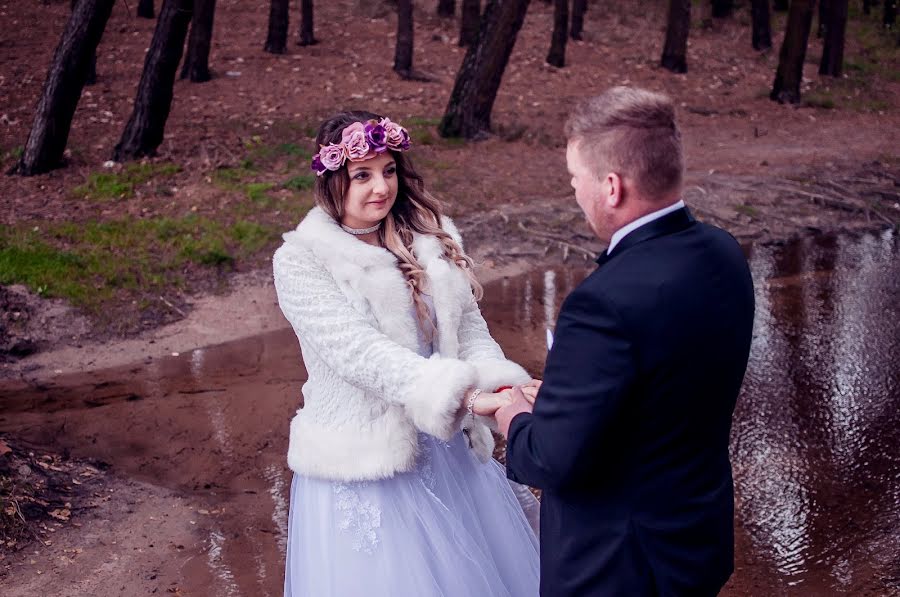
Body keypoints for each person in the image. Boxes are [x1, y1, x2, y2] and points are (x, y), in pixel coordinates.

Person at [496, 87, 756, 596]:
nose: (575, 193)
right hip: (694, 539)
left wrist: (513, 417)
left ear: (611, 187)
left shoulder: (604, 301)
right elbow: (669, 384)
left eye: (576, 179)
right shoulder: (722, 253)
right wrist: (578, 392)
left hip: (618, 566)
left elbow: (550, 459)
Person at [272, 110, 540, 596]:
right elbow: (360, 355)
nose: (381, 187)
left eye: (389, 170)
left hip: (447, 451)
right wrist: (466, 398)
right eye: (362, 175)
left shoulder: (429, 239)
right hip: (366, 462)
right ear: (333, 180)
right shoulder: (302, 261)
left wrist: (503, 387)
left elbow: (470, 331)